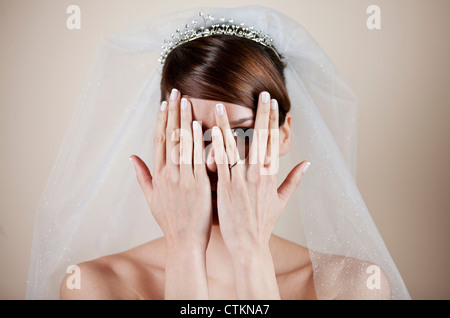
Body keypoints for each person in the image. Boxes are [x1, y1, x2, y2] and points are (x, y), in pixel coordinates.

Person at [27, 7, 411, 300]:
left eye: (242, 133)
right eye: (193, 134)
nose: (213, 160)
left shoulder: (352, 286)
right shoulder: (97, 286)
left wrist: (250, 254)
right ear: (163, 138)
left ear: (282, 135)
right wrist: (184, 253)